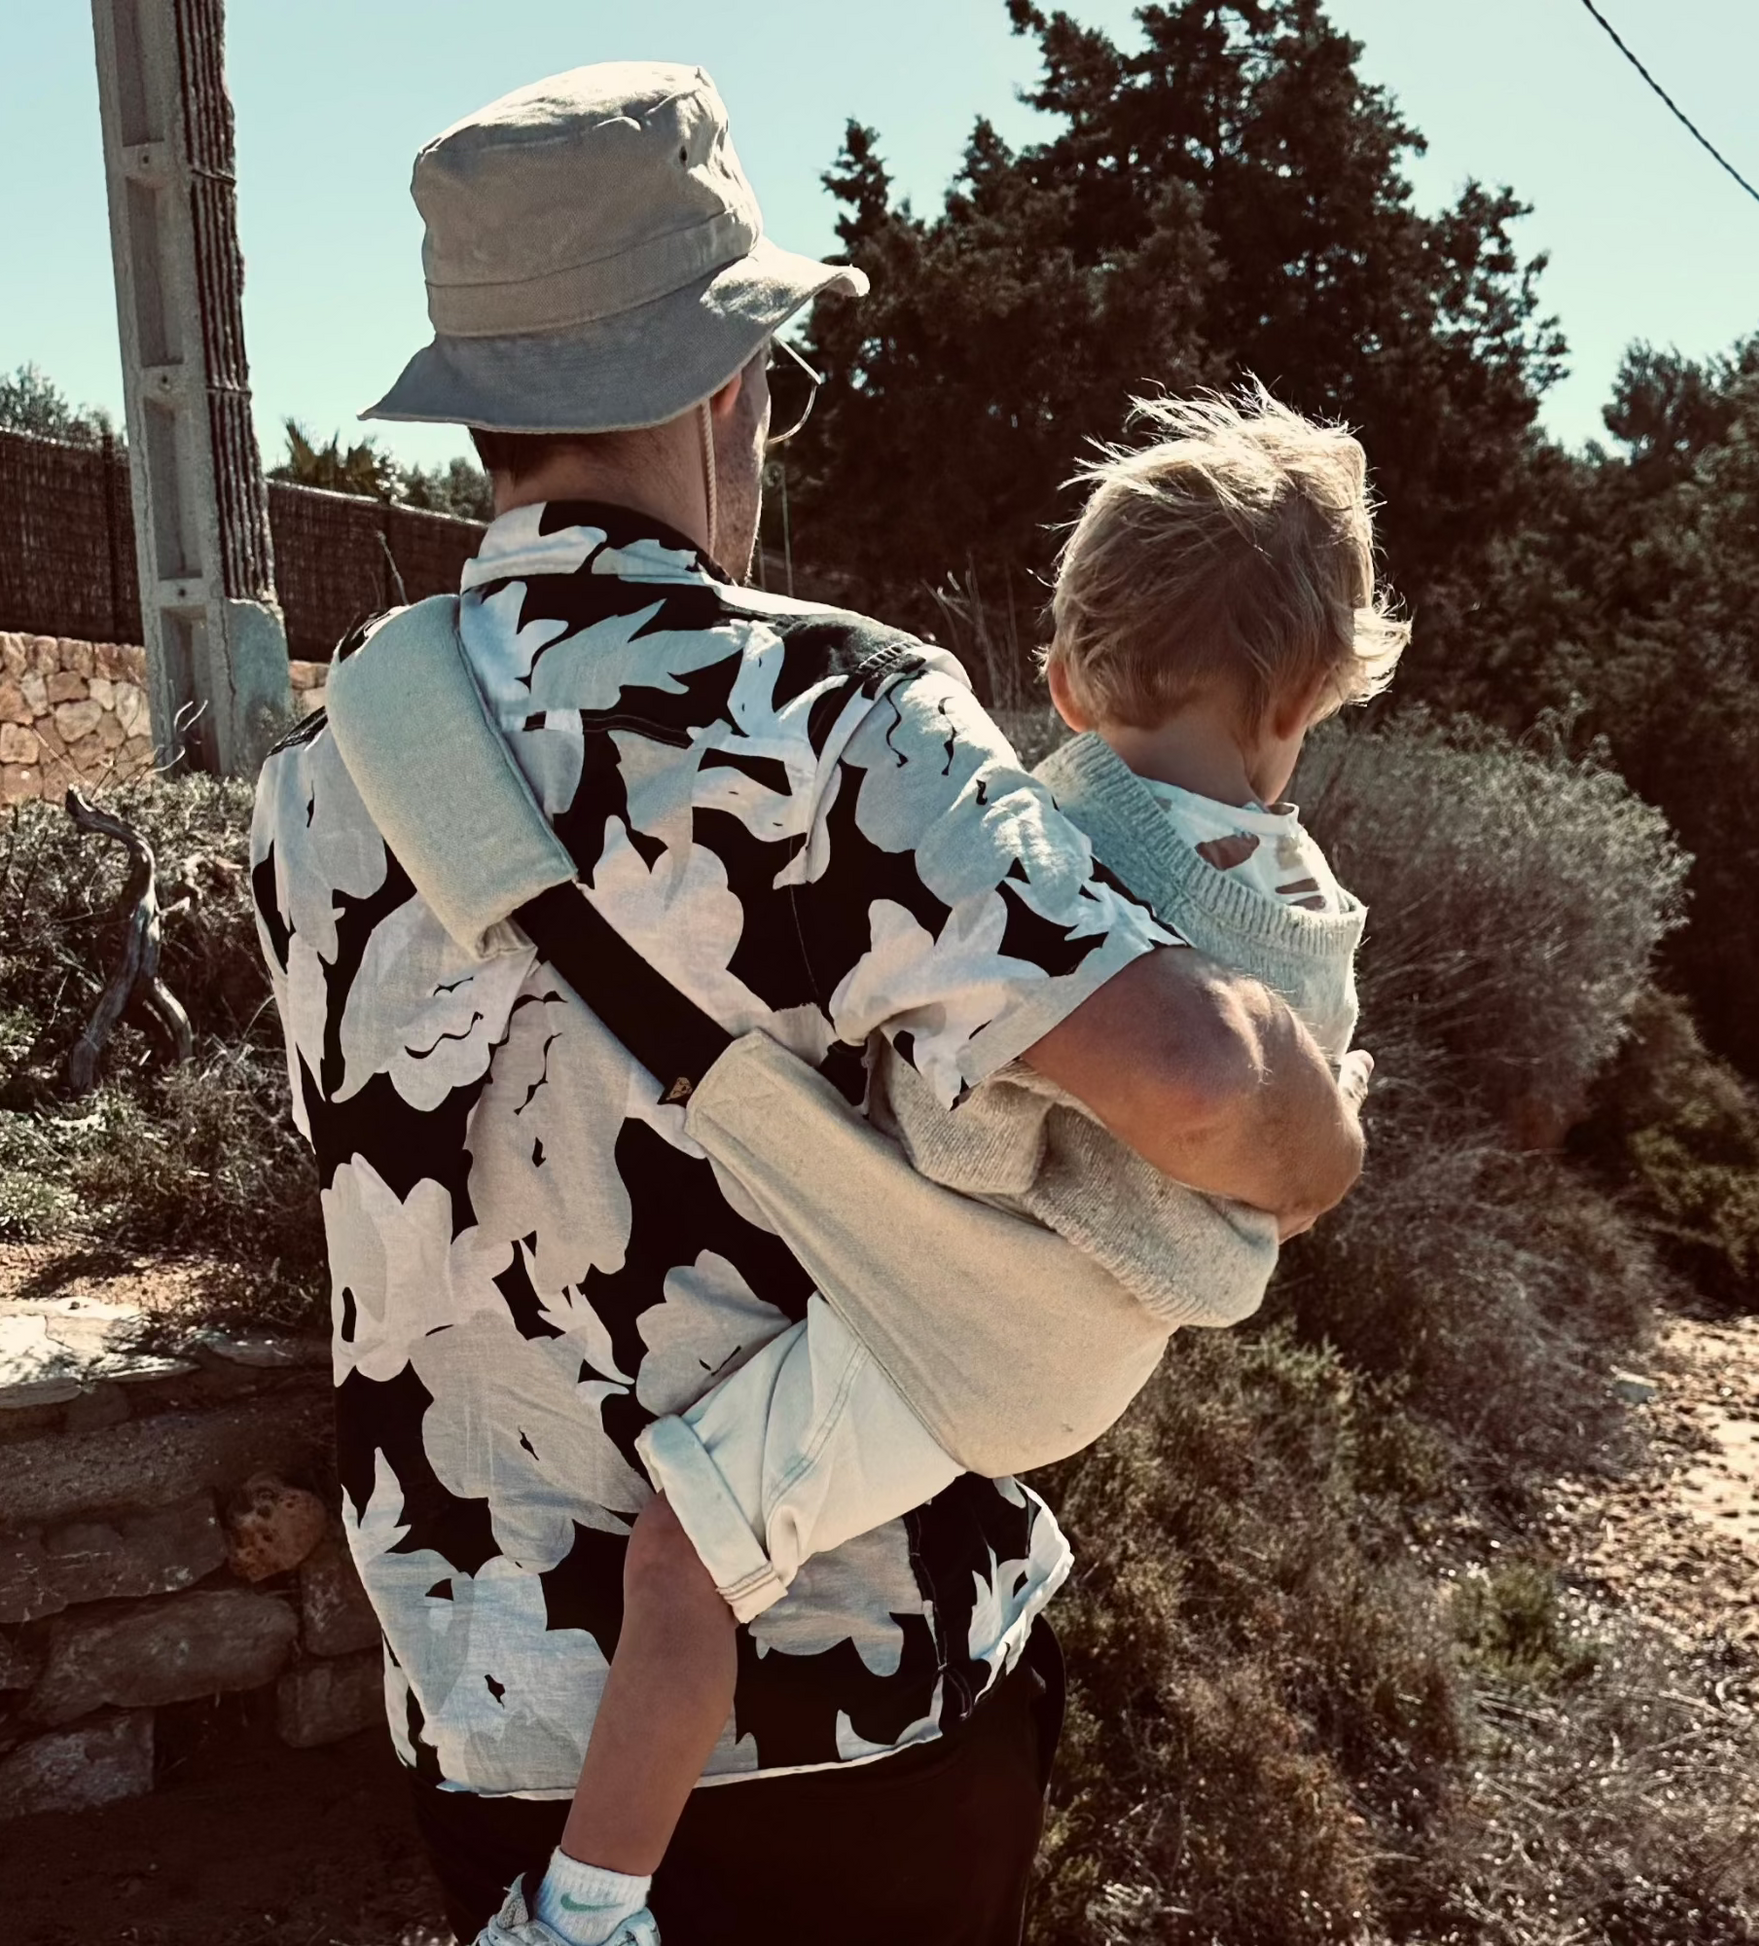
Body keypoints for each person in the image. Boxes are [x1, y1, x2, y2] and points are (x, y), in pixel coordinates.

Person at [248, 61, 1366, 1946]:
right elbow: (1185, 1085)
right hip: (840, 1702)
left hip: (479, 1698)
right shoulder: (827, 712)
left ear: (491, 422)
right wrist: (1321, 1122)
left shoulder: (314, 774)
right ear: (719, 383)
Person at [539, 387, 1399, 1946]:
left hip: (952, 1340)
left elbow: (963, 1136)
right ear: (1307, 699)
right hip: (1088, 1344)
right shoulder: (1305, 917)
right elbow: (1287, 1141)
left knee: (680, 1560)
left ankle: (578, 1914)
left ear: (1065, 674)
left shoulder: (1046, 843)